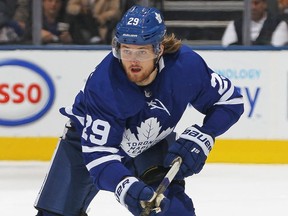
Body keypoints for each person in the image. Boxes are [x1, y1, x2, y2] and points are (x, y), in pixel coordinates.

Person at [34, 5, 244, 216]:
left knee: (172, 210)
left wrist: (205, 134)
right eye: (126, 50)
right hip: (86, 144)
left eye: (142, 52)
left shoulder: (186, 67)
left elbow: (231, 101)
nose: (133, 61)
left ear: (159, 49)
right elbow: (99, 155)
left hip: (150, 143)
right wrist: (124, 185)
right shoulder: (104, 85)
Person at [222, 0, 288, 46]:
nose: (253, 7)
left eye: (256, 3)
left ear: (265, 4)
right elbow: (227, 49)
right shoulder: (234, 24)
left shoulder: (279, 24)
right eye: (250, 3)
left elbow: (277, 50)